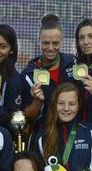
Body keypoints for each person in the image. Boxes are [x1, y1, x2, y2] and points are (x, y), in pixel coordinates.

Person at [21, 13, 76, 144]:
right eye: (46, 43)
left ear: (62, 41)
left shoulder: (73, 64)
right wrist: (37, 101)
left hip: (73, 133)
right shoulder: (28, 74)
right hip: (43, 135)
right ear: (38, 40)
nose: (50, 48)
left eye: (55, 43)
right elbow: (27, 117)